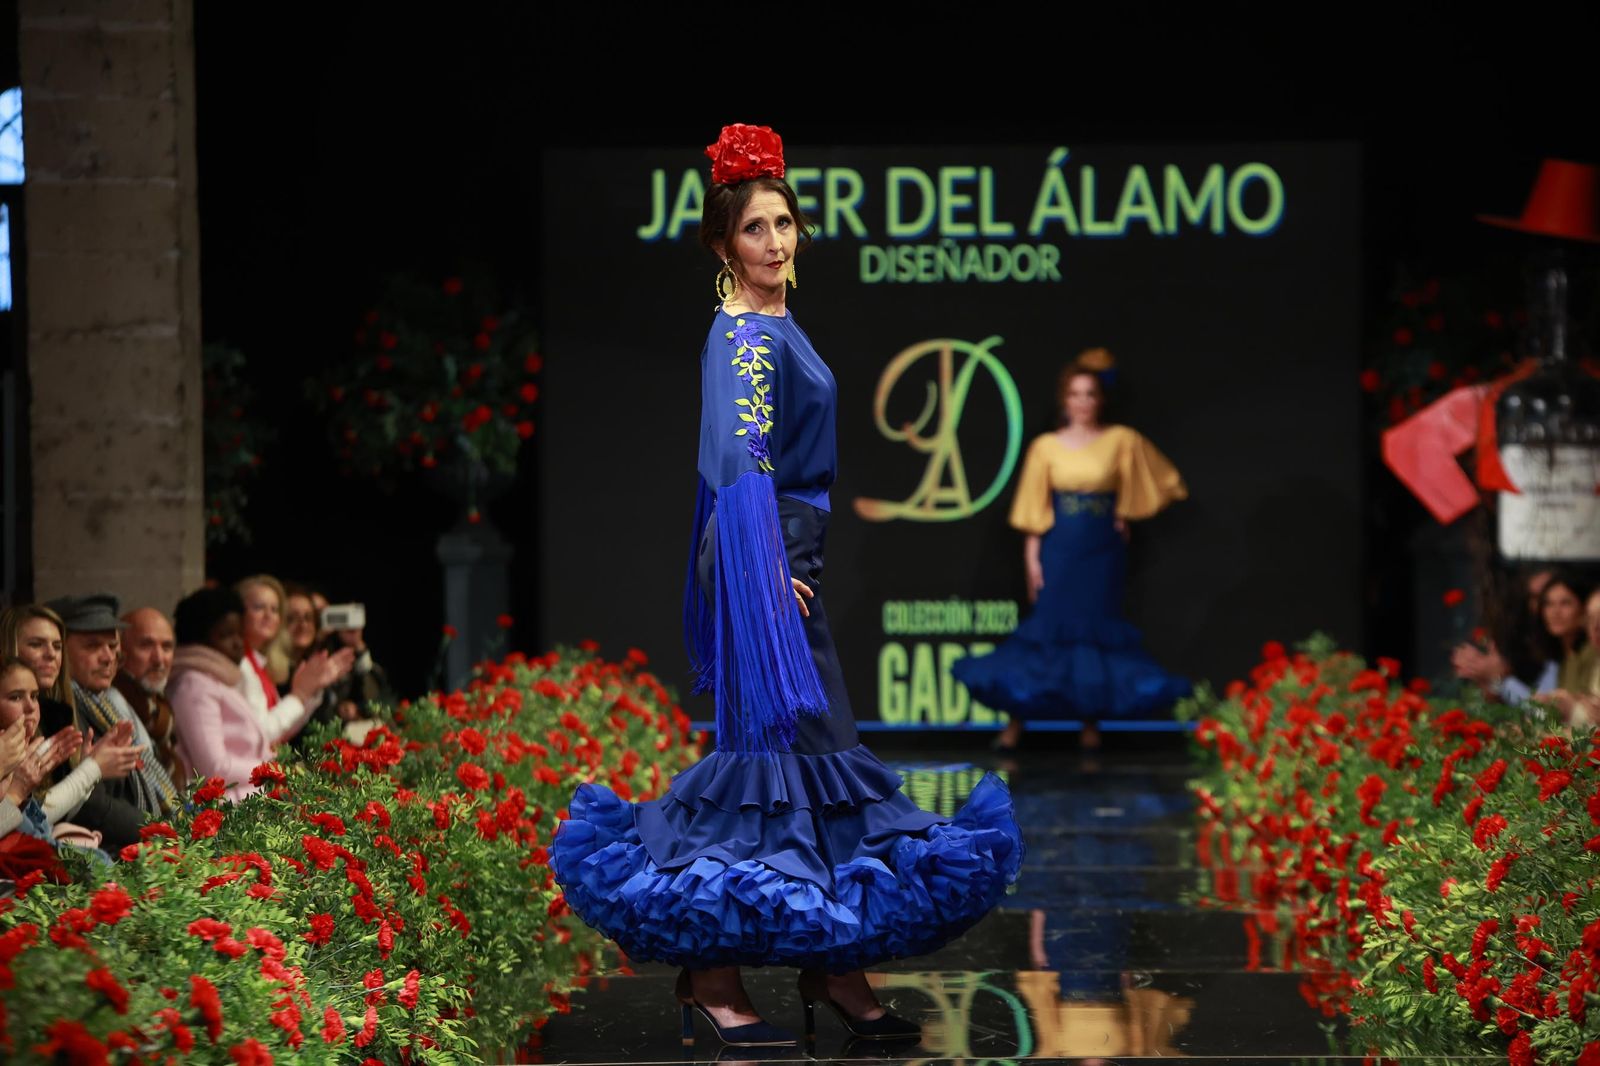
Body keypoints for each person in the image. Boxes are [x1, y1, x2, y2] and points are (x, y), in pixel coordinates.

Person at [550, 124, 1023, 1050]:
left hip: (783, 556)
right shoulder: (743, 339)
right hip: (762, 562)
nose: (776, 240)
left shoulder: (769, 325)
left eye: (785, 223)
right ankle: (727, 974)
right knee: (773, 765)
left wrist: (784, 561)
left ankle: (829, 968)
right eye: (756, 228)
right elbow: (739, 462)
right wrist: (766, 576)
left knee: (804, 766)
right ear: (725, 246)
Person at [951, 349, 1191, 753]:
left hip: (1102, 552)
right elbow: (1033, 508)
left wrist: (1125, 511)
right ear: (1065, 399)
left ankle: (1090, 725)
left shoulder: (1121, 440)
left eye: (1090, 394)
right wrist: (1032, 560)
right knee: (1046, 632)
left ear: (1101, 399)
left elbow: (1163, 481)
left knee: (1094, 634)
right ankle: (1016, 721)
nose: (1083, 402)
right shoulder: (1047, 446)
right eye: (1076, 394)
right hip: (1059, 549)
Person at [0, 603, 147, 853]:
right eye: (36, 644)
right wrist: (91, 770)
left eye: (57, 646)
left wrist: (88, 772)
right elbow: (33, 813)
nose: (51, 654)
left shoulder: (57, 712)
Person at [166, 586, 282, 802]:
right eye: (226, 635)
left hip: (245, 803)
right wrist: (271, 770)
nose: (238, 643)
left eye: (240, 633)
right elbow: (214, 768)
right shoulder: (193, 686)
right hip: (223, 814)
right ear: (199, 639)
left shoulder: (214, 681)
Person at [232, 574, 353, 748]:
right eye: (259, 607)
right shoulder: (240, 663)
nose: (268, 615)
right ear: (237, 612)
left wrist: (310, 692)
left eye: (274, 610)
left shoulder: (258, 663)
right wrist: (300, 694)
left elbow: (281, 731)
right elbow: (261, 733)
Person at [1451, 566, 1554, 704]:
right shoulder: (1526, 641)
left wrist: (1499, 678)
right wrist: (1485, 679)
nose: (1542, 607)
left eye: (1548, 599)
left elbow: (1543, 713)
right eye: (1535, 598)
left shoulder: (1568, 653)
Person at [114, 606, 184, 788]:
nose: (159, 659)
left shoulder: (160, 706)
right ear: (120, 651)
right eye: (146, 645)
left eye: (167, 647)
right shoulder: (111, 703)